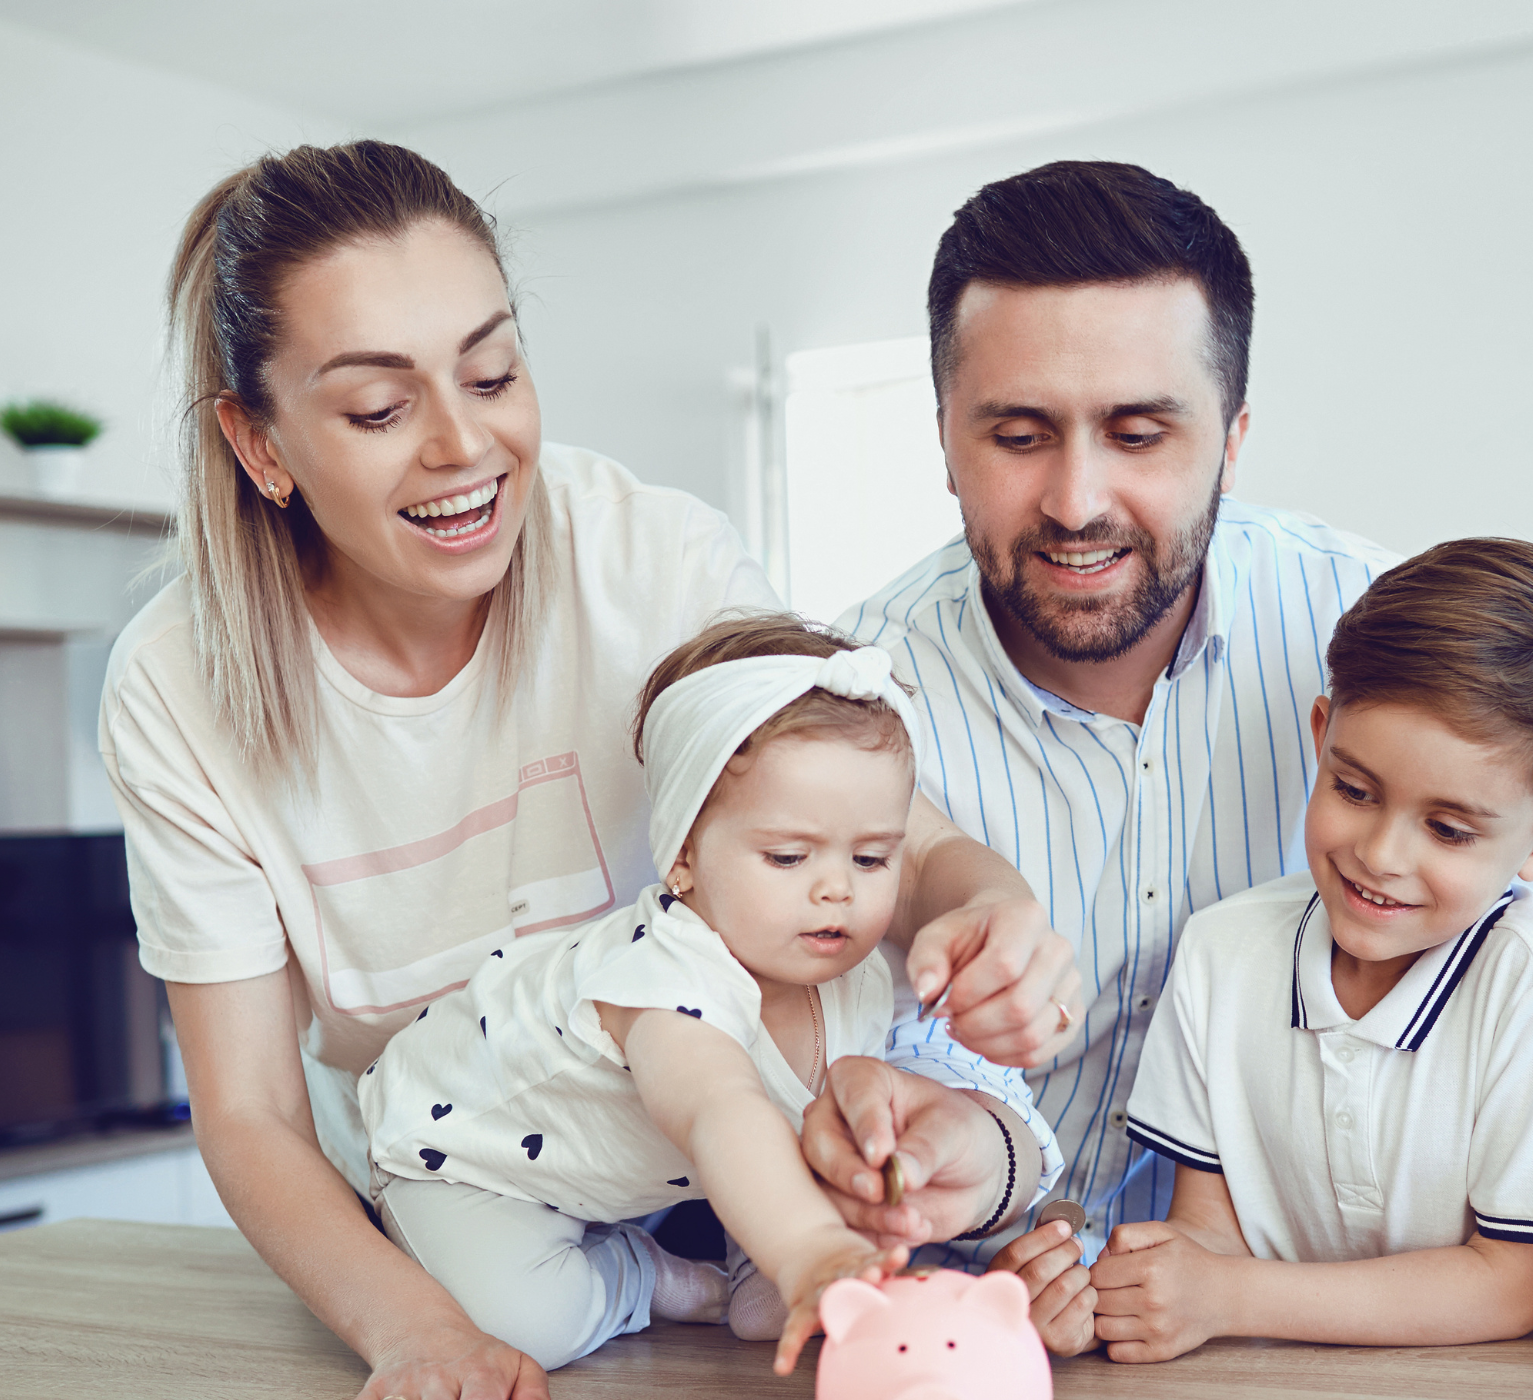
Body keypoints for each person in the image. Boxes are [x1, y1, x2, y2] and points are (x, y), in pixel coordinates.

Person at [100, 140, 1078, 1400]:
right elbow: (249, 1112)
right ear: (261, 443)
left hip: (706, 1162)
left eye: (492, 372)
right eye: (380, 408)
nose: (464, 443)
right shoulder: (179, 684)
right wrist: (419, 1330)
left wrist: (987, 903)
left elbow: (887, 831)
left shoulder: (648, 559)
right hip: (460, 1196)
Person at [810, 159, 1533, 1359]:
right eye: (1019, 434)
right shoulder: (847, 700)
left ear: (1231, 439)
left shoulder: (1371, 627)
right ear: (943, 437)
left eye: (1138, 432)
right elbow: (842, 1043)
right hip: (968, 1334)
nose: (1076, 500)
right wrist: (975, 1192)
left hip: (1325, 1339)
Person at [1073, 538, 1533, 1357]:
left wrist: (1228, 1296)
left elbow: (1511, 1283)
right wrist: (1138, 1291)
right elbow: (1208, 1234)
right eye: (1354, 789)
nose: (1380, 854)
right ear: (1322, 735)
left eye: (1448, 829)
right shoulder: (1221, 952)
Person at [361, 615, 936, 1373]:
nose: (837, 889)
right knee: (527, 1327)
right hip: (464, 1160)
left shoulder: (860, 978)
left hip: (629, 1171)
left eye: (871, 858)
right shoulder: (666, 977)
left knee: (776, 1304)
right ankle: (640, 1274)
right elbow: (718, 1109)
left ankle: (758, 1268)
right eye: (788, 857)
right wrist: (810, 1247)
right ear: (682, 854)